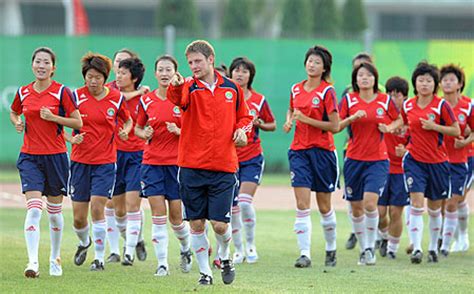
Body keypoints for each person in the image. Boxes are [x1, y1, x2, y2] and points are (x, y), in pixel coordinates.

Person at [167, 40, 252, 286]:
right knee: (196, 223)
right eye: (190, 62)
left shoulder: (232, 89)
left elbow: (245, 117)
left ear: (211, 59)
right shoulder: (187, 87)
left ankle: (225, 257)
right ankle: (205, 273)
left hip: (224, 166)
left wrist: (241, 130)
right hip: (191, 166)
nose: (193, 66)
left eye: (198, 61)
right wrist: (175, 85)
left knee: (220, 226)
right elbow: (177, 100)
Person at [10, 47, 83, 278]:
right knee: (33, 210)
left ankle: (55, 257)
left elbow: (77, 122)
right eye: (38, 62)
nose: (41, 66)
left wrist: (54, 118)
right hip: (30, 157)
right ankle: (32, 263)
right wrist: (17, 121)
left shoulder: (61, 92)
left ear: (53, 68)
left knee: (53, 212)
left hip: (56, 157)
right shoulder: (23, 92)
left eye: (46, 63)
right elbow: (14, 112)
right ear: (32, 65)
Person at [68, 53, 132, 271]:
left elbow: (128, 119)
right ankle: (84, 242)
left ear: (105, 77)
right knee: (78, 217)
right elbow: (59, 126)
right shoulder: (75, 97)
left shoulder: (116, 98)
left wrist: (125, 130)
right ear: (84, 77)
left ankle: (99, 258)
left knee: (97, 208)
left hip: (105, 162)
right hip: (79, 161)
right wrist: (71, 138)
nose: (93, 81)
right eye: (89, 77)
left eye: (97, 77)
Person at [337, 62, 402, 266]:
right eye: (360, 75)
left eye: (369, 75)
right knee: (356, 208)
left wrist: (389, 127)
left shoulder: (384, 101)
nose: (364, 78)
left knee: (370, 204)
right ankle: (364, 246)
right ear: (355, 79)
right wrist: (352, 118)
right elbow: (336, 126)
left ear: (375, 79)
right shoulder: (348, 99)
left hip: (378, 160)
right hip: (354, 159)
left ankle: (369, 249)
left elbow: (400, 119)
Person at [135, 55, 192, 276]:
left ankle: (186, 249)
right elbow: (138, 129)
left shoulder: (184, 100)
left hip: (176, 165)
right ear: (155, 73)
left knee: (176, 218)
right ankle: (162, 264)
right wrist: (144, 133)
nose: (165, 73)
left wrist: (180, 132)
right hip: (151, 164)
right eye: (161, 69)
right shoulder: (146, 100)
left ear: (176, 73)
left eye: (169, 69)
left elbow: (195, 130)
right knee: (158, 213)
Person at [282, 45, 339, 268]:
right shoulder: (296, 89)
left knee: (324, 206)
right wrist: (289, 120)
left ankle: (331, 248)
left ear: (324, 67)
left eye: (316, 62)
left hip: (323, 152)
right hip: (299, 151)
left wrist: (306, 120)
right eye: (309, 60)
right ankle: (304, 254)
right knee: (302, 203)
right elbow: (292, 110)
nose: (311, 64)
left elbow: (334, 126)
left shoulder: (327, 92)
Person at [401, 61, 460, 264]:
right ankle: (417, 248)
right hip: (414, 160)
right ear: (415, 83)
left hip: (438, 162)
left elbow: (456, 130)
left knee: (435, 208)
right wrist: (395, 131)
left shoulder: (442, 105)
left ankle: (433, 247)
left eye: (428, 80)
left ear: (434, 84)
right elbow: (404, 124)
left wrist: (435, 126)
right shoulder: (408, 104)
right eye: (420, 80)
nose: (424, 84)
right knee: (416, 203)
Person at [229, 57, 276, 264]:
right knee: (233, 207)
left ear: (250, 75)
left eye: (244, 71)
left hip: (252, 157)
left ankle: (250, 245)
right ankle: (238, 249)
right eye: (236, 70)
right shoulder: (226, 97)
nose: (240, 74)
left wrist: (260, 123)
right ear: (230, 74)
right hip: (229, 158)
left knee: (245, 203)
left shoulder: (259, 99)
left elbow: (272, 124)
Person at [105, 49, 149, 263]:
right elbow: (118, 98)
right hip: (112, 154)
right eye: (117, 64)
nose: (119, 70)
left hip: (138, 155)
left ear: (133, 74)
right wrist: (138, 93)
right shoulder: (107, 90)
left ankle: (127, 252)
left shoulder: (146, 97)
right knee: (115, 207)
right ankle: (132, 240)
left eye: (124, 66)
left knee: (133, 204)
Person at [439, 64, 473, 256]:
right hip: (441, 160)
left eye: (452, 79)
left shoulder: (468, 105)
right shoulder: (437, 105)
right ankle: (448, 236)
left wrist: (466, 140)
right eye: (444, 80)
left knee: (456, 200)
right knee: (443, 203)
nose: (448, 83)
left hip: (465, 158)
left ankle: (459, 237)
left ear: (460, 83)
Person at [342, 52, 375, 250]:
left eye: (365, 68)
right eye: (357, 69)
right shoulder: (348, 93)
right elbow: (339, 120)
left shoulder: (380, 92)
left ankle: (374, 239)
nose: (362, 73)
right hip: (352, 149)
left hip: (377, 153)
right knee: (354, 197)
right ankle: (356, 231)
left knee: (372, 200)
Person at [376, 77, 410, 259]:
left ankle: (392, 250)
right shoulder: (382, 114)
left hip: (402, 171)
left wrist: (406, 150)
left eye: (397, 95)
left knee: (396, 212)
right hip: (381, 167)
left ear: (404, 97)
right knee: (380, 213)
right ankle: (383, 236)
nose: (392, 98)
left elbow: (419, 140)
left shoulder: (410, 116)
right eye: (389, 94)